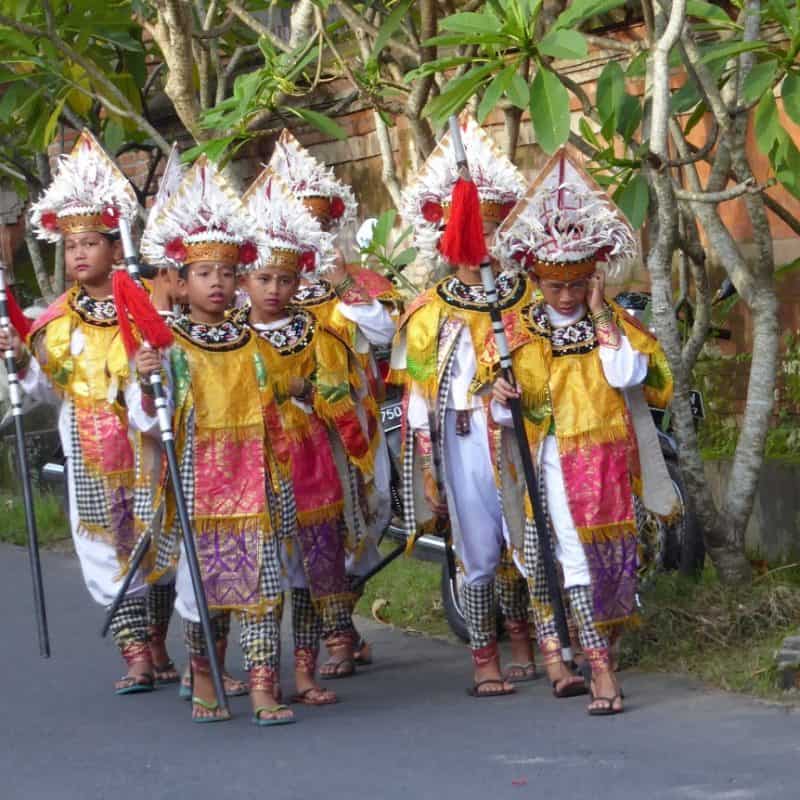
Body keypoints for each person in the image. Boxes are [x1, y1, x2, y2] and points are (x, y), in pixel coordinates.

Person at [484, 149, 675, 715]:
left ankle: (594, 648)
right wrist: (500, 397)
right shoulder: (515, 330)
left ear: (594, 277)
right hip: (551, 465)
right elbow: (503, 412)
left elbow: (630, 375)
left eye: (576, 284)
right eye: (553, 285)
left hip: (608, 463)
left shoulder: (613, 325)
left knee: (614, 560)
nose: (564, 296)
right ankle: (599, 669)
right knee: (567, 559)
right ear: (535, 277)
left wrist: (598, 318)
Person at [0, 131, 162, 694]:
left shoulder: (142, 305)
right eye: (71, 247)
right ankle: (135, 649)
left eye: (91, 243)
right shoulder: (56, 320)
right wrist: (19, 364)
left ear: (115, 248)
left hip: (146, 447)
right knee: (102, 549)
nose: (79, 255)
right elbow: (44, 391)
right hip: (89, 451)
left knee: (157, 540)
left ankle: (159, 637)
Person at [140, 156, 291, 725]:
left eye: (228, 274)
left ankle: (260, 687)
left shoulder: (253, 340)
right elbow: (151, 417)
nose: (219, 284)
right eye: (205, 274)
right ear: (183, 280)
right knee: (203, 592)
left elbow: (274, 404)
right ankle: (203, 674)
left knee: (262, 587)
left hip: (253, 478)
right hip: (199, 482)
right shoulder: (170, 342)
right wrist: (145, 375)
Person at [392, 112, 536, 696]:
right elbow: (420, 394)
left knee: (526, 539)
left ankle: (530, 642)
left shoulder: (528, 298)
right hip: (463, 441)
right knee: (477, 546)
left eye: (496, 230)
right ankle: (485, 657)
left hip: (523, 434)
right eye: (477, 231)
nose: (486, 245)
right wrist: (429, 462)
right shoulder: (428, 311)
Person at [267, 128, 401, 671]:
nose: (311, 238)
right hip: (291, 436)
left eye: (317, 226)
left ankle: (340, 617)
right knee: (307, 530)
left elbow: (387, 333)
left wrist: (345, 283)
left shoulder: (353, 284)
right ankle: (335, 632)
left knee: (367, 520)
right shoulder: (265, 294)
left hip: (353, 429)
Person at [241, 168, 376, 695]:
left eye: (285, 280)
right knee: (266, 572)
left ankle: (306, 670)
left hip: (311, 461)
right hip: (255, 465)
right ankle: (261, 676)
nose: (275, 289)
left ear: (301, 281)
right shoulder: (228, 338)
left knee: (311, 570)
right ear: (245, 278)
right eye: (264, 278)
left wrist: (305, 391)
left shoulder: (313, 332)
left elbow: (337, 391)